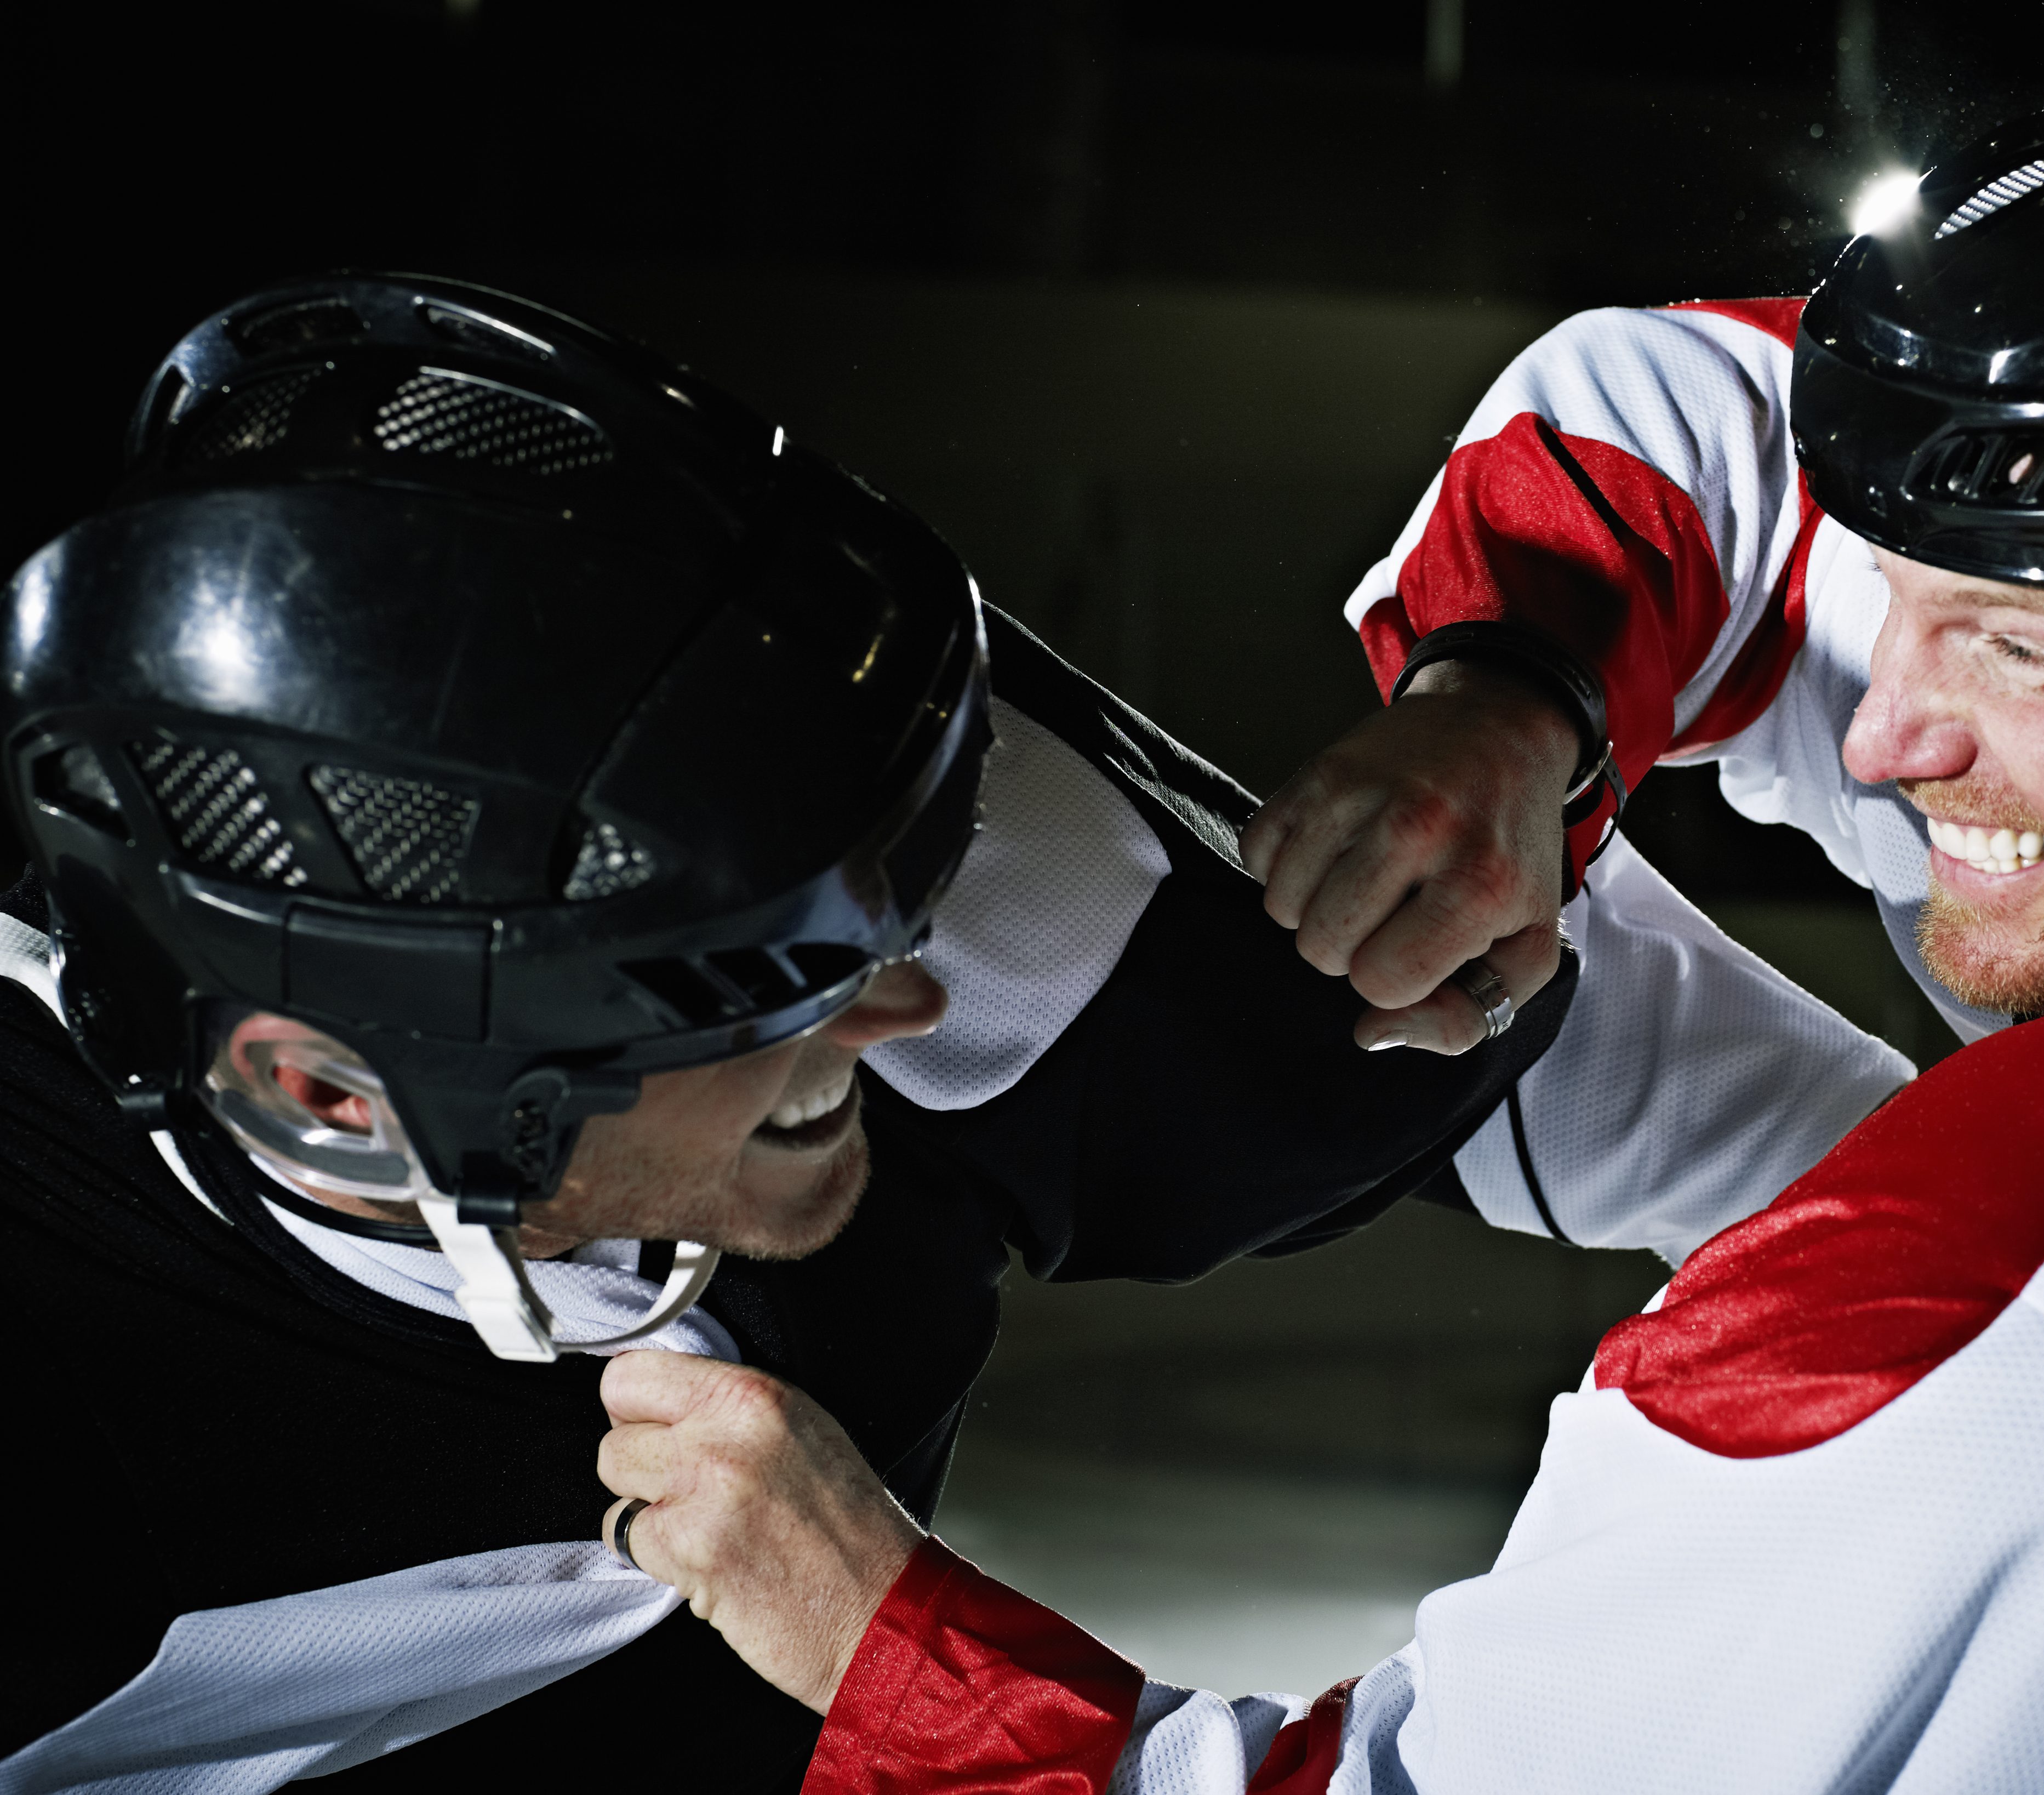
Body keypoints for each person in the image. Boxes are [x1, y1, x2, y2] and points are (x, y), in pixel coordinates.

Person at [586, 38, 2044, 1792]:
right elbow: (1711, 435)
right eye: (1909, 608)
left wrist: (889, 1645)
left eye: (2016, 655)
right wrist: (1509, 698)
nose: (1884, 738)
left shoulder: (1995, 1384)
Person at [0, 270, 1908, 1794]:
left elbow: (1714, 1125)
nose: (914, 992)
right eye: (764, 981)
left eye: (905, 864)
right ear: (338, 1098)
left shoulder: (972, 875)